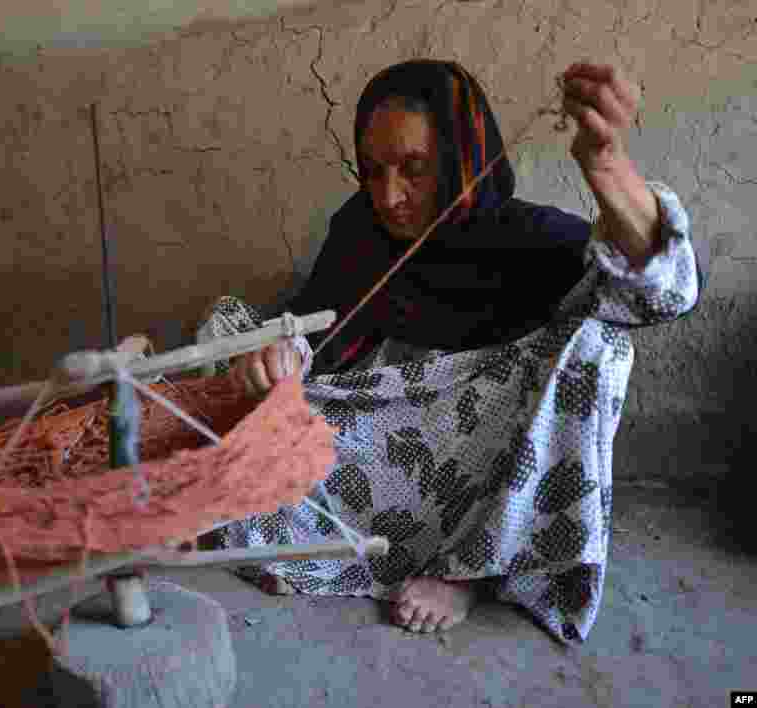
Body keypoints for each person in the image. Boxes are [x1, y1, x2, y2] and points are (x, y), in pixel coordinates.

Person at [195, 59, 702, 644]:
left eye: (414, 168)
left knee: (600, 347)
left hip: (481, 481)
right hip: (382, 462)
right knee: (229, 337)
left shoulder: (527, 237)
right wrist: (281, 357)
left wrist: (606, 166)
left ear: (462, 155)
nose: (389, 196)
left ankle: (473, 570)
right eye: (372, 171)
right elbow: (320, 334)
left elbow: (665, 296)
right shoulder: (361, 229)